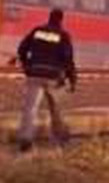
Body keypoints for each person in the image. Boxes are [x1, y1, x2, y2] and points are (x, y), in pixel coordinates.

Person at [16, 8, 77, 152]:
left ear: (49, 18)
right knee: (56, 109)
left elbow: (22, 49)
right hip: (53, 77)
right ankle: (59, 139)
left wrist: (27, 66)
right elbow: (68, 61)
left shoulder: (37, 31)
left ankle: (26, 138)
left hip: (34, 74)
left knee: (30, 108)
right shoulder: (63, 35)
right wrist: (72, 79)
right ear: (61, 20)